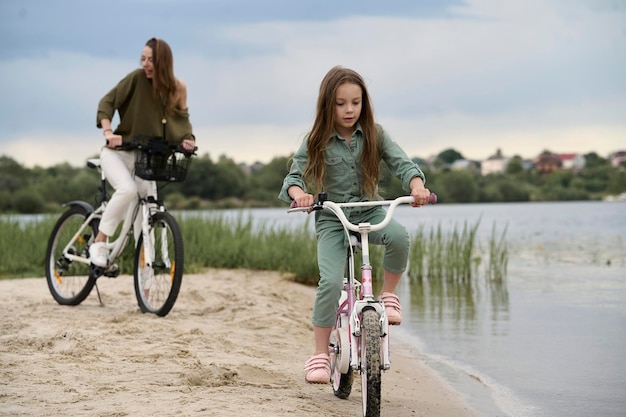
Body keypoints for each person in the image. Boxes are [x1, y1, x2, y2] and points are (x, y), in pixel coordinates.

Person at [278, 66, 431, 384]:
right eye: (341, 103)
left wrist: (416, 187)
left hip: (369, 210)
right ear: (327, 105)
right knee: (330, 282)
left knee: (399, 237)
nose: (349, 110)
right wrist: (302, 196)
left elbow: (403, 164)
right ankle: (320, 354)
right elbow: (293, 179)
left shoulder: (376, 133)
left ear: (364, 103)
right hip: (333, 217)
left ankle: (388, 296)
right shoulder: (316, 140)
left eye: (356, 102)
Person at [89, 37, 196, 268]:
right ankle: (99, 241)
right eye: (143, 59)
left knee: (145, 219)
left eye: (151, 60)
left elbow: (182, 123)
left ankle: (146, 293)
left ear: (164, 63)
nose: (146, 64)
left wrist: (187, 140)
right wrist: (108, 132)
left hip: (147, 161)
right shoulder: (136, 79)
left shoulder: (178, 88)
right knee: (127, 190)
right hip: (118, 153)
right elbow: (107, 102)